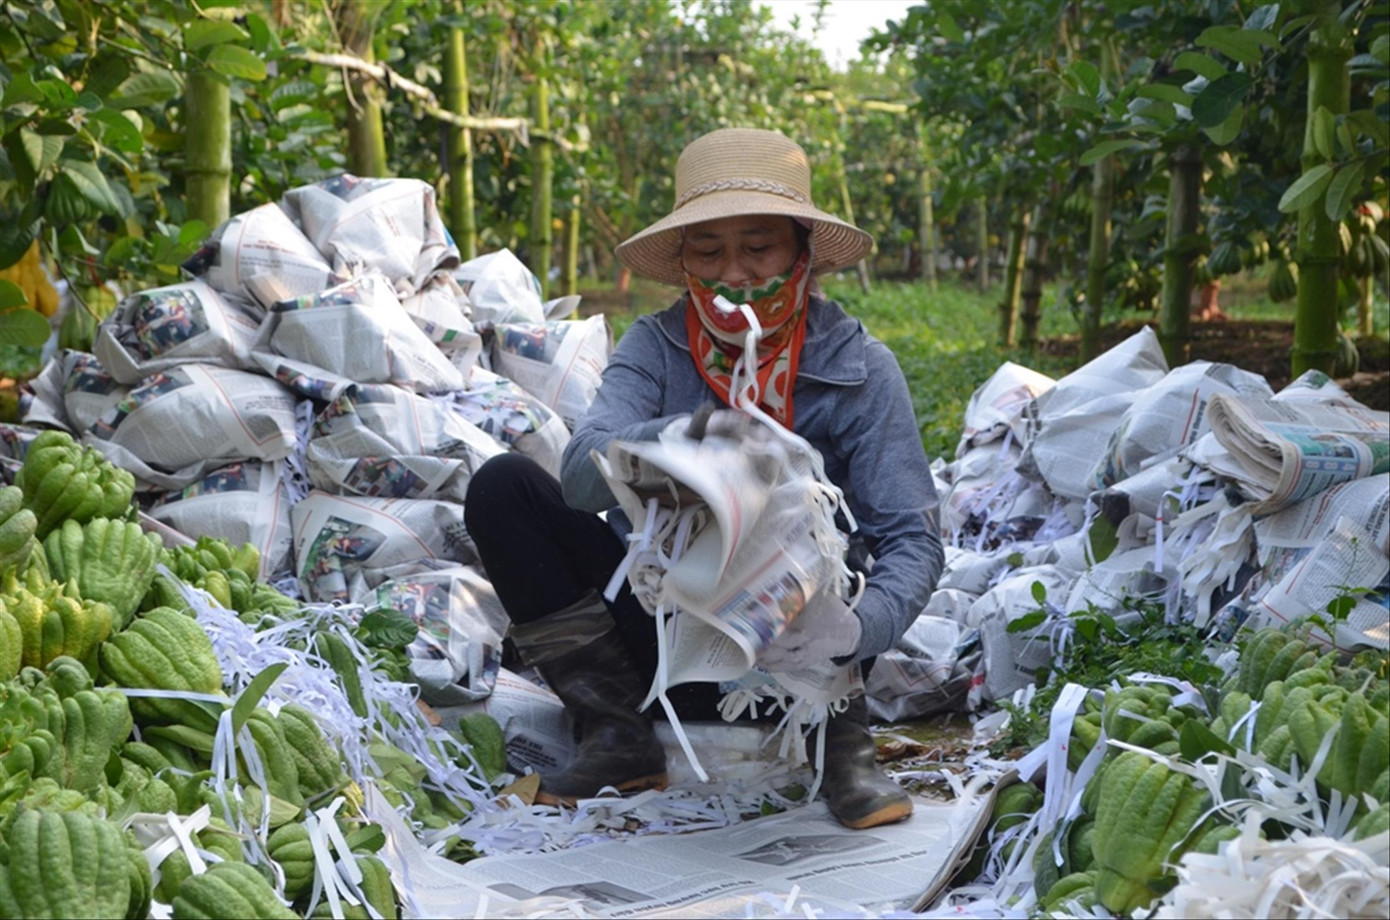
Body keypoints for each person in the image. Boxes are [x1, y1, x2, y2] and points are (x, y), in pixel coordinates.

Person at [464, 127, 944, 830]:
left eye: (759, 247)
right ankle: (619, 735)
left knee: (816, 511)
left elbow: (913, 538)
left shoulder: (860, 368)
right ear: (684, 261)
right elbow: (579, 475)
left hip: (796, 653)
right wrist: (679, 439)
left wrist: (856, 629)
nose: (736, 274)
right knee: (505, 487)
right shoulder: (655, 349)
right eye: (709, 251)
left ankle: (841, 735)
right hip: (665, 643)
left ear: (802, 253)